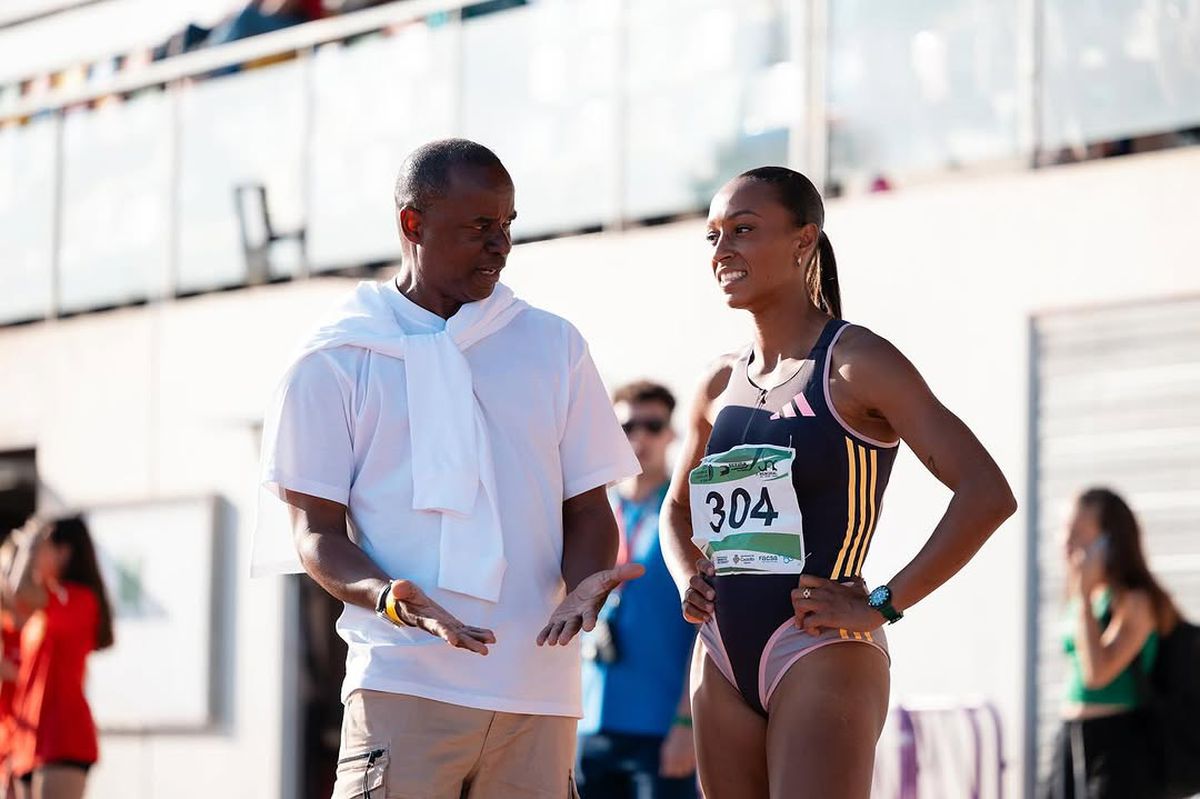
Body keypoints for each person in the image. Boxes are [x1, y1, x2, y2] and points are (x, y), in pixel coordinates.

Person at [254, 138, 643, 798]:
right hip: (402, 684)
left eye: (508, 225)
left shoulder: (555, 345)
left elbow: (588, 507)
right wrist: (388, 595)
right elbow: (315, 533)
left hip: (539, 697)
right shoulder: (333, 359)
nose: (501, 245)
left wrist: (584, 587)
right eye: (479, 227)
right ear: (413, 224)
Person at [659, 166, 1017, 799]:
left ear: (804, 240)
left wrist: (883, 602)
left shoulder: (856, 363)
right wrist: (688, 572)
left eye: (743, 230)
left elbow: (987, 494)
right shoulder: (716, 383)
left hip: (819, 646)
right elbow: (676, 509)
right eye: (713, 235)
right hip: (719, 651)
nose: (722, 251)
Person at [578, 381, 698, 799]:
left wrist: (688, 724)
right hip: (587, 726)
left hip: (662, 728)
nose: (639, 438)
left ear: (672, 433)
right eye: (628, 426)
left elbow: (709, 631)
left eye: (653, 425)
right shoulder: (591, 513)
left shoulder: (686, 517)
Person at [1040, 487, 1179, 799]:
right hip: (1071, 736)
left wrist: (1086, 599)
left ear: (1110, 541)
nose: (1066, 542)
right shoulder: (1083, 596)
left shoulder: (1134, 600)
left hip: (1118, 744)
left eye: (1078, 533)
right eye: (1063, 530)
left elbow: (1096, 673)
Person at [7, 517, 114, 799]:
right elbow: (12, 591)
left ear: (64, 552)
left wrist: (30, 543)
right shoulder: (45, 605)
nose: (36, 556)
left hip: (63, 737)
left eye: (44, 548)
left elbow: (21, 590)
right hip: (30, 739)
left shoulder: (78, 599)